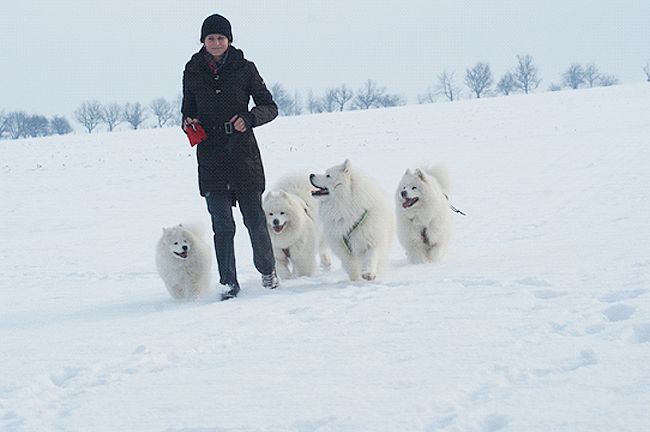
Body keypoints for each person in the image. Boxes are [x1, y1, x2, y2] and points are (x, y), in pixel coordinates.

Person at [181, 14, 279, 300]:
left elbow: (269, 106)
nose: (215, 43)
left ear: (229, 40)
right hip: (210, 156)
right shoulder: (192, 69)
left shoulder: (244, 68)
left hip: (242, 154)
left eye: (220, 38)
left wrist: (248, 119)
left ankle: (267, 271)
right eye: (210, 38)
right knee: (222, 224)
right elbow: (187, 107)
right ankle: (228, 283)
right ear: (203, 41)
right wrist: (188, 121)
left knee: (254, 219)